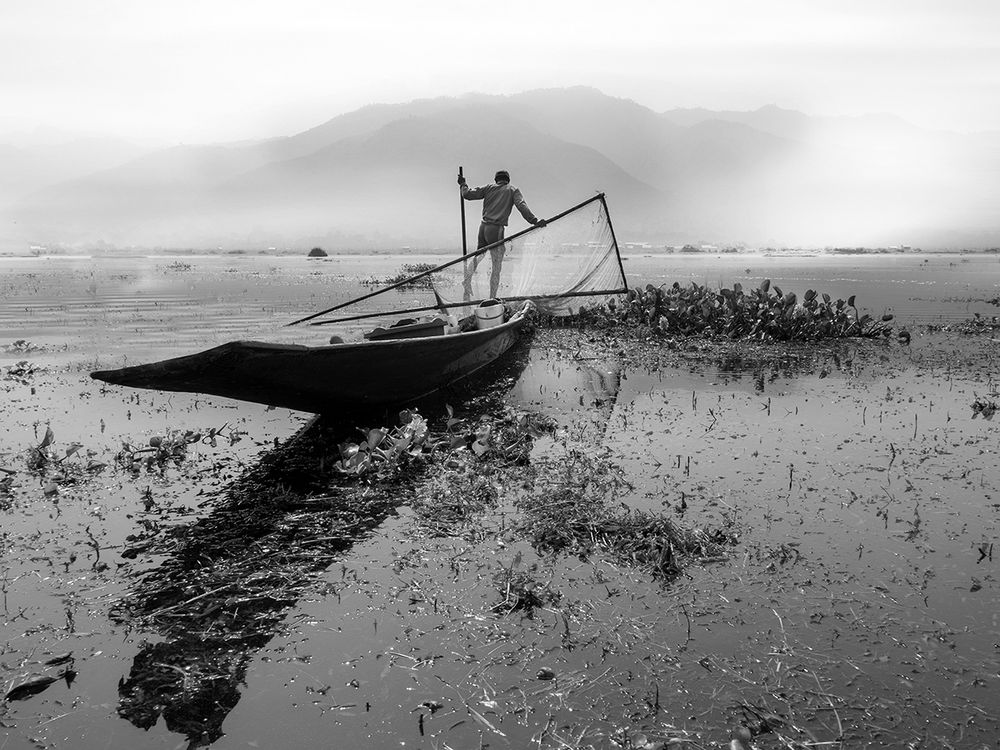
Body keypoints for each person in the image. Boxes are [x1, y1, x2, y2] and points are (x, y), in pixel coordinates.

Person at [458, 170, 547, 297]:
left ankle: (467, 280)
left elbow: (467, 194)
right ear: (508, 180)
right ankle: (492, 298)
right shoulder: (512, 190)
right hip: (496, 229)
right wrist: (535, 221)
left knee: (478, 255)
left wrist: (463, 184)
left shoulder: (488, 188)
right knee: (496, 265)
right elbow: (521, 205)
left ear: (496, 180)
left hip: (483, 227)